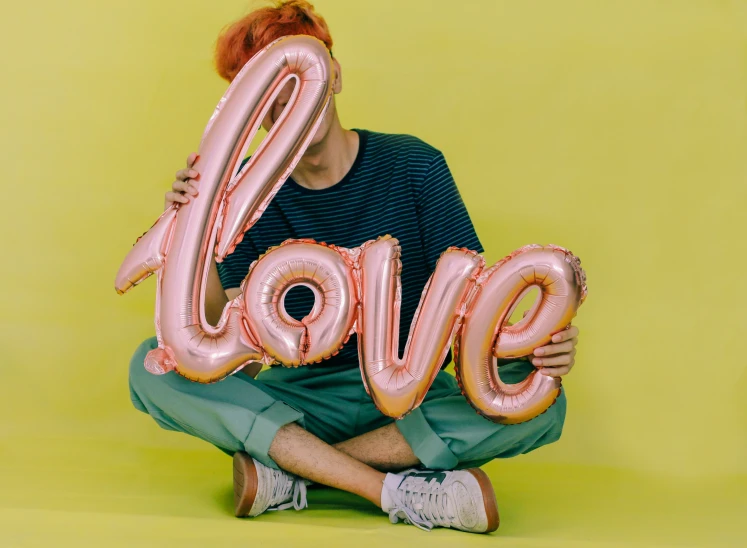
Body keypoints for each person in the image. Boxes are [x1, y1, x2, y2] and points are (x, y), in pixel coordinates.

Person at [128, 0, 580, 534]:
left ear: (333, 75)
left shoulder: (414, 164)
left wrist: (543, 345)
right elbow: (221, 342)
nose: (287, 105)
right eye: (264, 94)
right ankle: (392, 490)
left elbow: (475, 306)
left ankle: (300, 475)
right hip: (305, 397)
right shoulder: (242, 192)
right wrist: (191, 232)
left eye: (296, 78)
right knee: (150, 367)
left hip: (412, 394)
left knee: (542, 397)